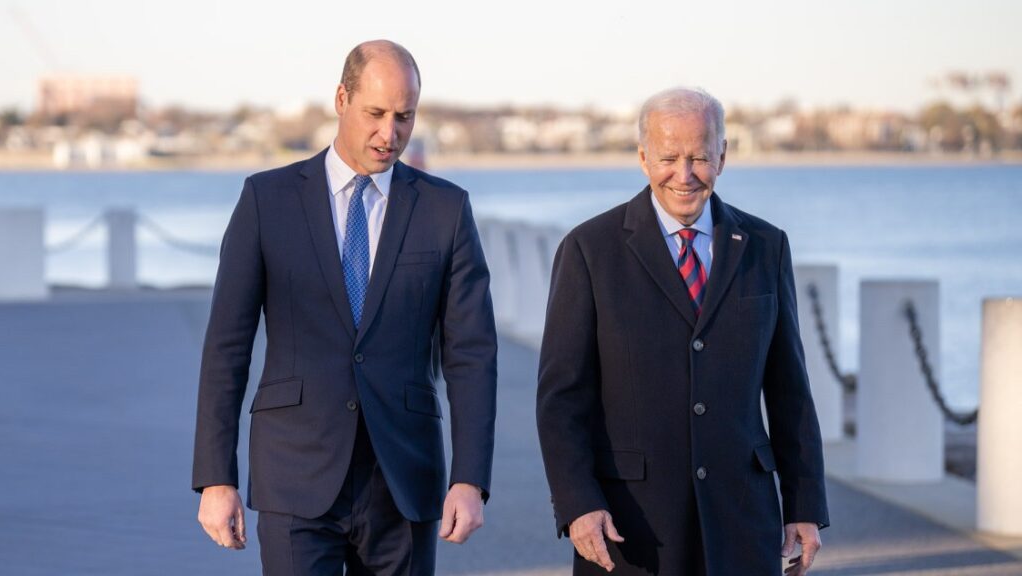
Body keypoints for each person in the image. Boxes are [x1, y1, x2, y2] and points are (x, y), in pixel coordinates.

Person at [192, 40, 497, 576]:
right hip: (294, 474)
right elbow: (227, 347)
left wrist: (469, 479)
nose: (390, 133)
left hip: (403, 481)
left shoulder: (446, 210)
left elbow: (471, 354)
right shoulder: (268, 200)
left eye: (404, 117)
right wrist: (217, 479)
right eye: (375, 114)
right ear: (341, 98)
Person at [536, 87, 828, 575]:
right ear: (643, 157)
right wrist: (576, 504)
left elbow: (789, 391)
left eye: (699, 157)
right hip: (630, 531)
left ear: (723, 156)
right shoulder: (589, 250)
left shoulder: (765, 246)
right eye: (669, 157)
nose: (684, 175)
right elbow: (561, 399)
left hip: (741, 524)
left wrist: (805, 506)